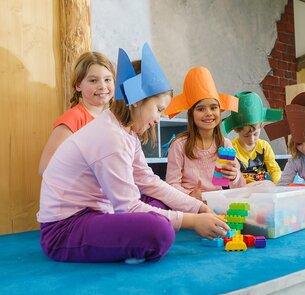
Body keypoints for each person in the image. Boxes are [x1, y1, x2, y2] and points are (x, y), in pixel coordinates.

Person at [37, 43, 229, 264]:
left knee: (162, 203)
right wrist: (193, 221)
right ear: (137, 102)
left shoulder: (126, 131)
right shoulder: (111, 137)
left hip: (96, 212)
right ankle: (135, 241)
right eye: (158, 109)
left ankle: (132, 238)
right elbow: (128, 207)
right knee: (160, 232)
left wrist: (198, 207)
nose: (158, 119)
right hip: (64, 230)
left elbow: (147, 181)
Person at [164, 67, 246, 201]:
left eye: (213, 108)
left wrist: (235, 176)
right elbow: (172, 185)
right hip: (190, 204)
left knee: (267, 184)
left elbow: (238, 188)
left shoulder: (225, 144)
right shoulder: (179, 145)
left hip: (218, 203)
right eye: (201, 109)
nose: (208, 113)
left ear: (219, 111)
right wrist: (190, 195)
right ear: (191, 114)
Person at [38, 51, 115, 175]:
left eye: (107, 79)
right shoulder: (74, 118)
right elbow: (45, 167)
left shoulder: (113, 119)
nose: (102, 86)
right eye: (93, 80)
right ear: (78, 85)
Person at [220, 91, 283, 184]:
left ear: (261, 126)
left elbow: (274, 169)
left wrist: (278, 184)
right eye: (246, 135)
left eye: (255, 134)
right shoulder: (231, 149)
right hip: (241, 191)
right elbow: (224, 178)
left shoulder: (264, 146)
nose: (252, 139)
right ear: (237, 130)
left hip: (262, 189)